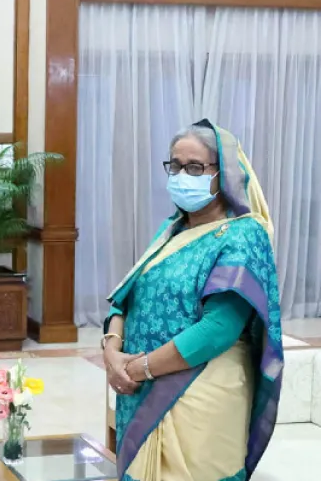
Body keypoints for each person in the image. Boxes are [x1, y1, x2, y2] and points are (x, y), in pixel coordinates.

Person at [102, 119, 284, 481]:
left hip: (201, 394)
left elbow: (219, 328)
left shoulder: (244, 235)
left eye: (196, 167)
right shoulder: (172, 229)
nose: (182, 175)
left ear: (224, 174)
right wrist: (112, 352)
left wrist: (137, 369)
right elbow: (126, 295)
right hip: (140, 389)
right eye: (176, 165)